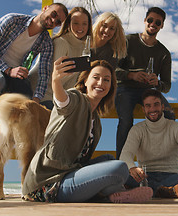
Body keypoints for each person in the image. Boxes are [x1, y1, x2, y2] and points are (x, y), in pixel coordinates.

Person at [22, 59, 153, 203]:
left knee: (109, 159)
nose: (100, 83)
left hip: (70, 174)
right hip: (47, 184)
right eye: (95, 77)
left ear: (111, 86)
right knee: (120, 167)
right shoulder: (76, 98)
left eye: (106, 80)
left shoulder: (96, 122)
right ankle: (114, 194)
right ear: (85, 81)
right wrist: (56, 81)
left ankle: (116, 193)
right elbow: (62, 101)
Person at [0, 3, 68, 147]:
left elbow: (44, 73)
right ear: (45, 9)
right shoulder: (12, 20)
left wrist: (36, 100)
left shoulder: (46, 43)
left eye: (58, 22)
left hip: (13, 74)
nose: (53, 21)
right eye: (53, 14)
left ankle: (5, 126)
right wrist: (8, 70)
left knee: (27, 98)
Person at [115, 7, 175, 159]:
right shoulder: (128, 41)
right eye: (150, 20)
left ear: (162, 26)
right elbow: (112, 69)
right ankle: (121, 164)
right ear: (144, 21)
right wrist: (131, 75)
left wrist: (157, 82)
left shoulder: (164, 53)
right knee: (126, 120)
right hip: (125, 88)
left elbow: (166, 86)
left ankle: (157, 159)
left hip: (148, 92)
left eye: (157, 22)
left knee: (169, 114)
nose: (153, 24)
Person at [120, 89, 178, 197]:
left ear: (162, 106)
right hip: (145, 177)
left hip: (173, 177)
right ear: (143, 109)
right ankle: (169, 191)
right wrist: (132, 168)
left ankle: (147, 191)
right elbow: (125, 154)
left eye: (156, 105)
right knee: (118, 173)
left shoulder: (176, 127)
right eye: (148, 106)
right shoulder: (137, 129)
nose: (152, 109)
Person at [28, 7, 92, 110]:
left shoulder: (84, 48)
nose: (80, 27)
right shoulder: (62, 42)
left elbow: (71, 83)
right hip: (40, 93)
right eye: (76, 23)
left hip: (57, 96)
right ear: (68, 24)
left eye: (84, 23)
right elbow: (55, 78)